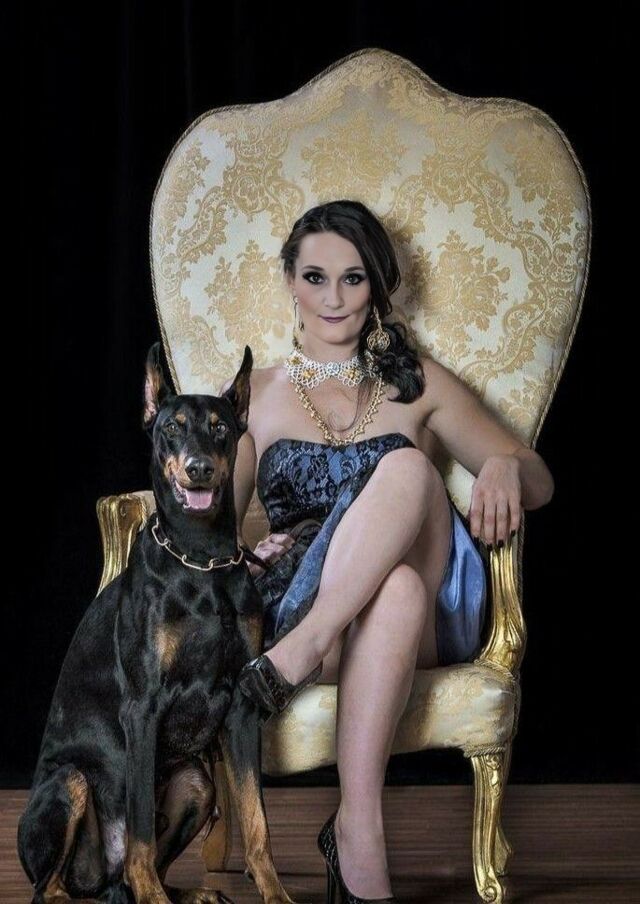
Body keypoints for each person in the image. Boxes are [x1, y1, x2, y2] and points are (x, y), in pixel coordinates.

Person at [220, 199, 554, 902]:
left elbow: (540, 479)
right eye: (316, 277)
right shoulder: (259, 396)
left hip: (406, 630)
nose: (333, 298)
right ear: (290, 281)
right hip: (302, 602)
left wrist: (504, 465)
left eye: (353, 278)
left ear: (375, 284)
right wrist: (247, 555)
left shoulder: (417, 381)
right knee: (394, 587)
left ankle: (304, 649)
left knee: (406, 473)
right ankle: (359, 834)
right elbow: (213, 533)